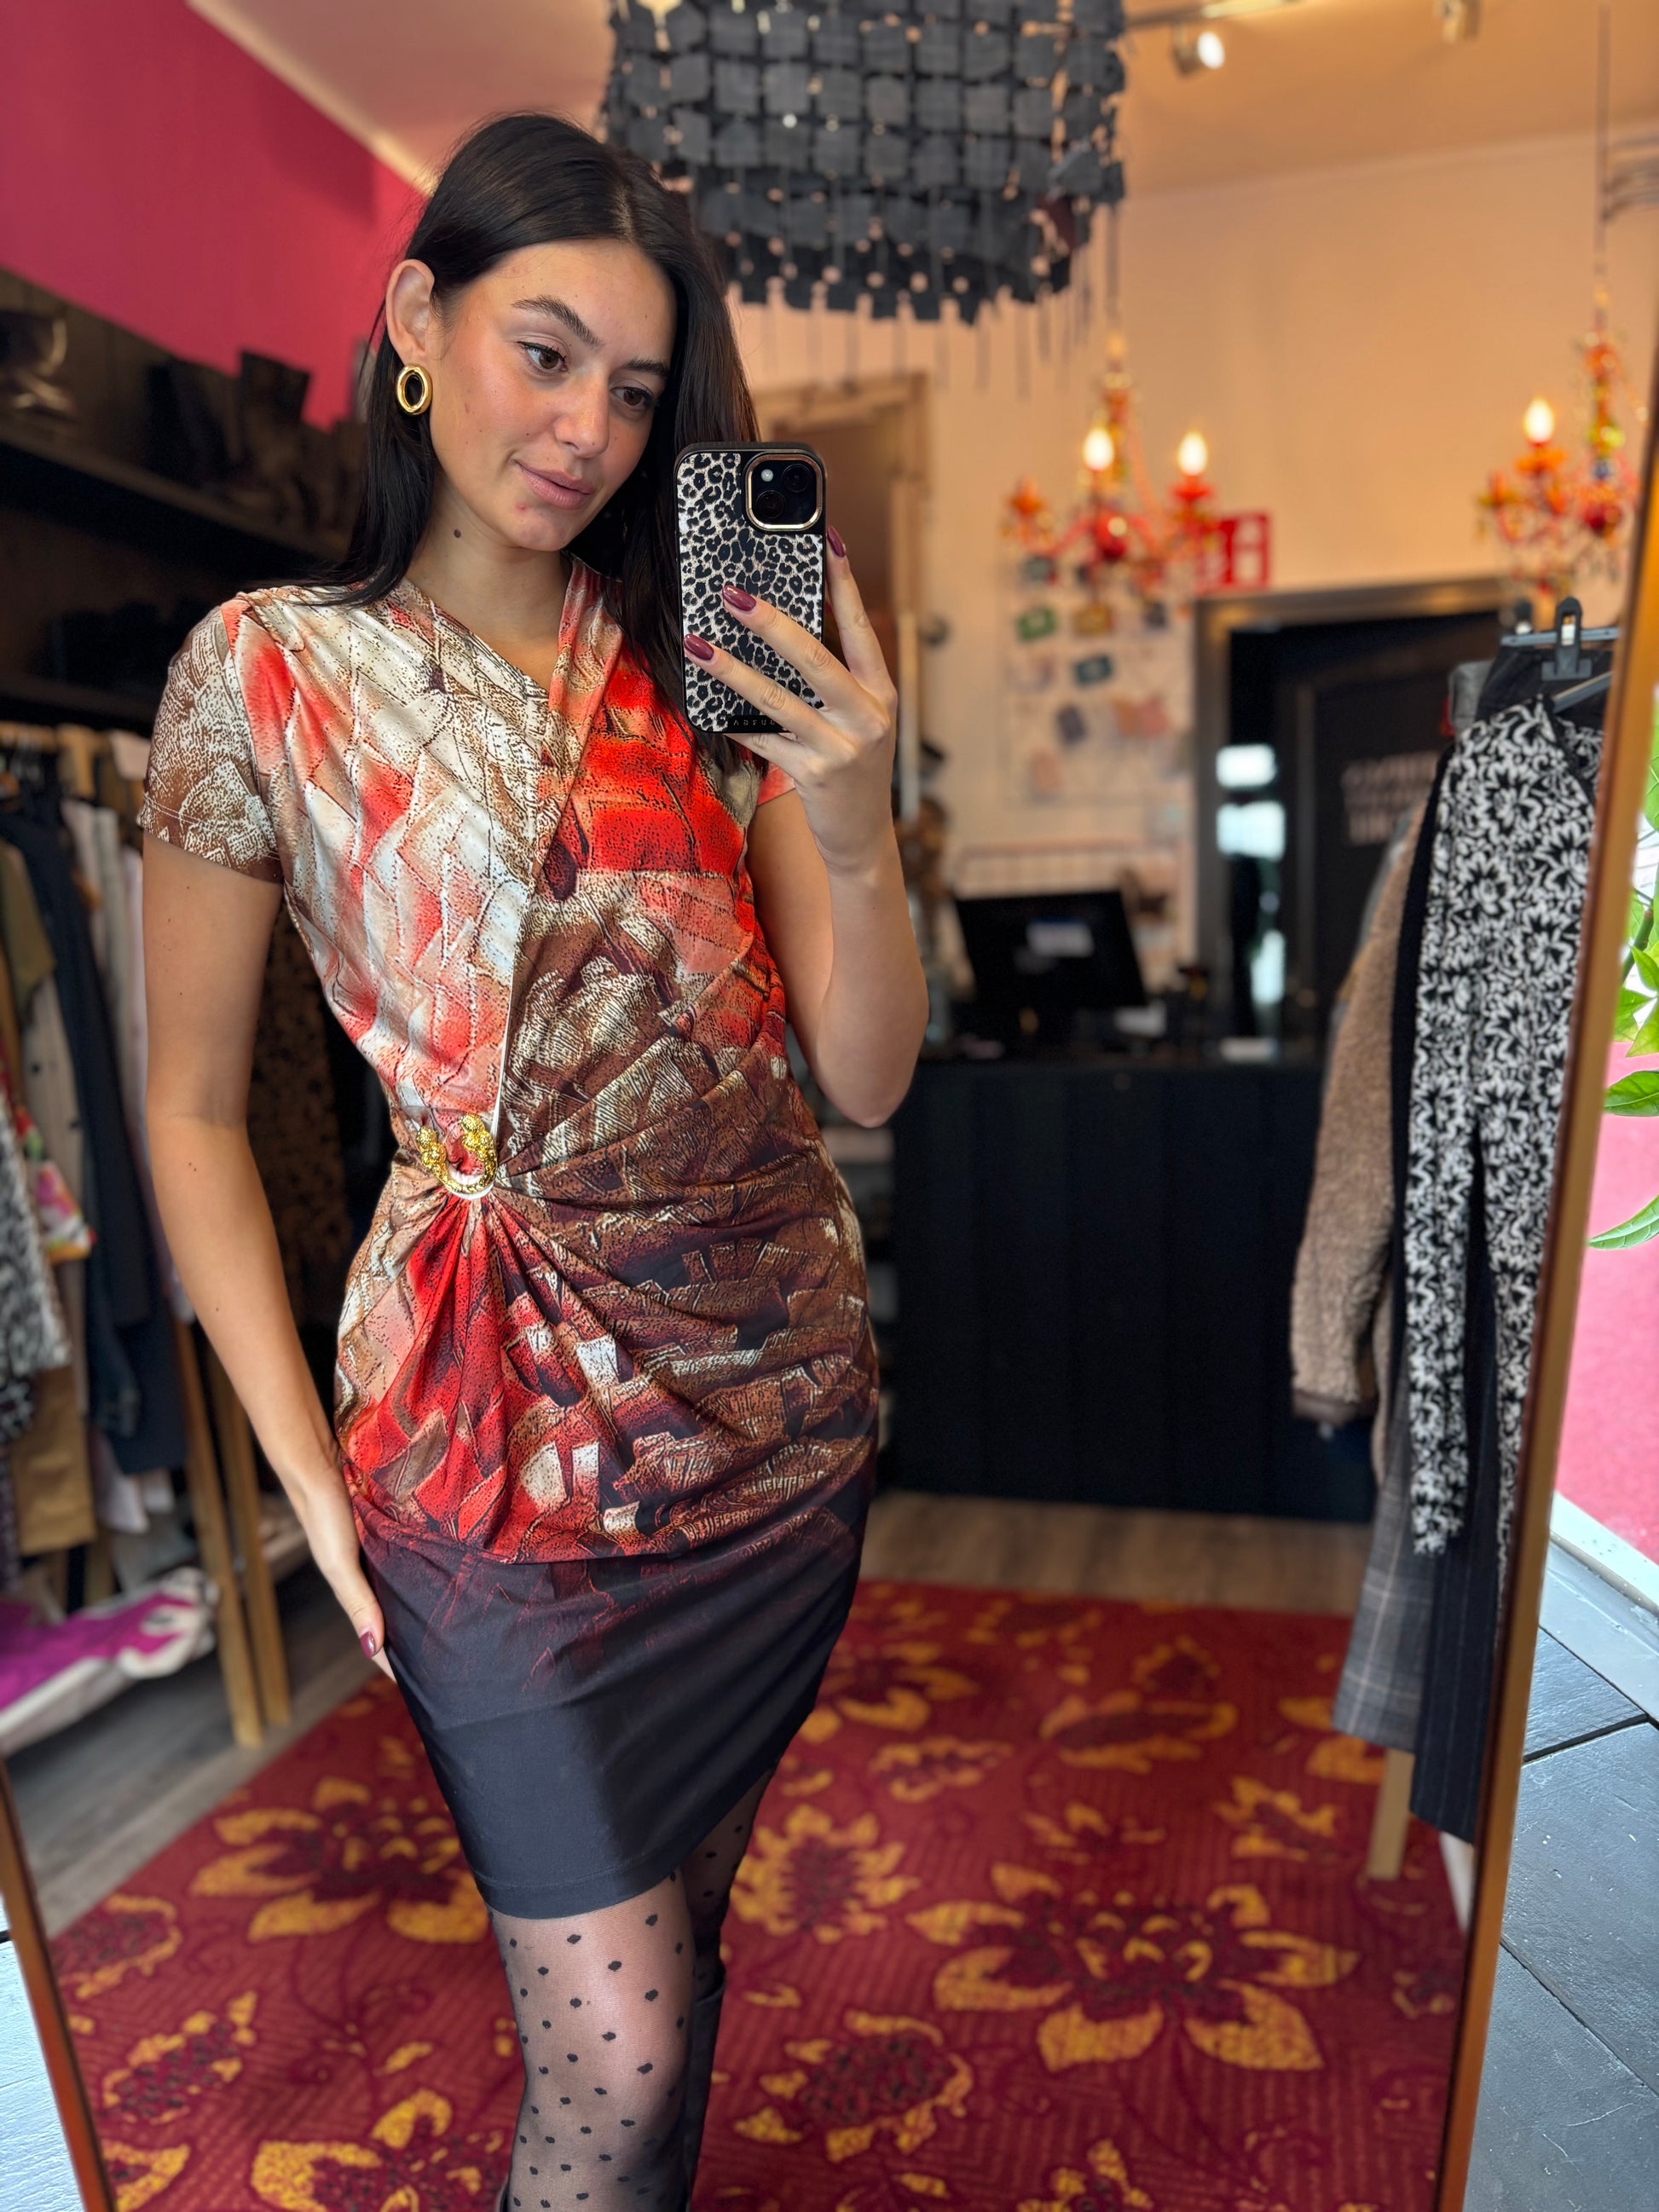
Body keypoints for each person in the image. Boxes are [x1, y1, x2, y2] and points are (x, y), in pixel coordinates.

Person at [141, 113, 927, 2212]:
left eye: (637, 390)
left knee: (677, 1967)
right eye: (544, 352)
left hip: (769, 1416)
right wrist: (309, 1486)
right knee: (623, 2033)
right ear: (418, 319)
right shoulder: (264, 672)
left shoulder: (701, 654)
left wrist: (857, 827)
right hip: (480, 1444)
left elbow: (866, 1076)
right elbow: (188, 1110)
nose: (587, 428)